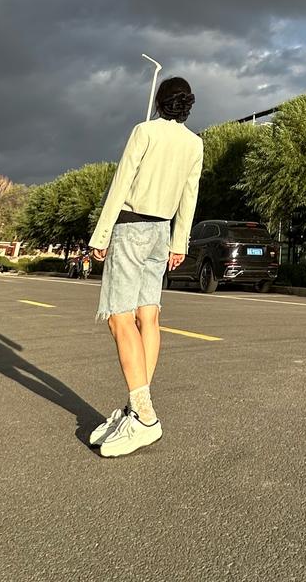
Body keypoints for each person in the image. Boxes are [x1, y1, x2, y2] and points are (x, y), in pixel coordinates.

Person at [87, 76, 204, 457]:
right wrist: (179, 242)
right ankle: (135, 409)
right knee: (148, 317)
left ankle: (145, 416)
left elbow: (121, 184)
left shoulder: (145, 131)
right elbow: (190, 195)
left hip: (131, 227)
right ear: (186, 106)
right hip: (161, 233)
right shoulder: (194, 143)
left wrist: (101, 234)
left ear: (159, 102)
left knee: (119, 317)